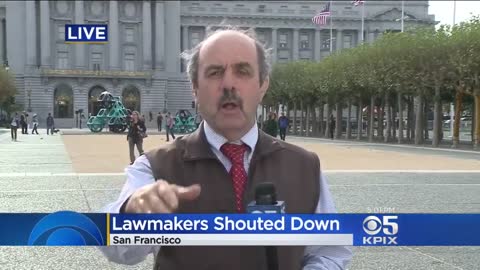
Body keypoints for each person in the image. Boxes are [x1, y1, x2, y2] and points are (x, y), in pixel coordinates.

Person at [100, 27, 352, 270]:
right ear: (195, 88)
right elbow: (118, 250)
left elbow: (329, 250)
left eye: (243, 71)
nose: (229, 84)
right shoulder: (155, 166)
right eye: (214, 72)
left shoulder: (304, 166)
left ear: (263, 85)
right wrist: (132, 212)